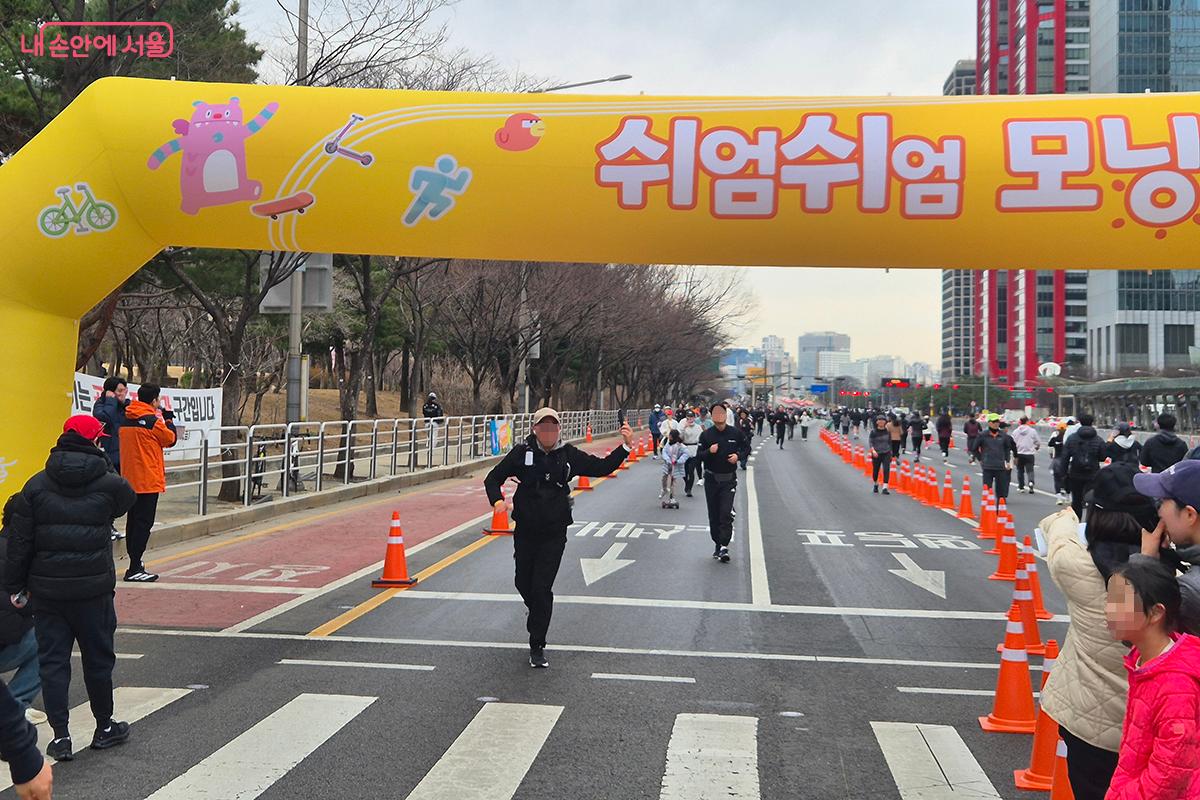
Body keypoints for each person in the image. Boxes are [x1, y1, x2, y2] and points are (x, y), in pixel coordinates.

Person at [4, 415, 136, 761]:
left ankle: (61, 737)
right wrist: (103, 462)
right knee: (98, 660)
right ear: (94, 441)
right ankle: (104, 727)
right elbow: (127, 499)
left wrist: (16, 587)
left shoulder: (36, 485)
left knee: (53, 663)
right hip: (93, 590)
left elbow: (20, 543)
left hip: (48, 593)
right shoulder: (109, 483)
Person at [1040, 465, 1160, 800]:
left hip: (1089, 723)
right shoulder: (1171, 576)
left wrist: (1067, 516)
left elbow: (1059, 536)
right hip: (1154, 728)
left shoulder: (1074, 565)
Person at [483, 408, 632, 669]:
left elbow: (601, 467)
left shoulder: (568, 455)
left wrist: (626, 446)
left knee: (541, 588)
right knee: (522, 582)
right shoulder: (521, 453)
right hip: (526, 529)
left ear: (559, 430)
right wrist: (497, 501)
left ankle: (537, 644)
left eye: (553, 427)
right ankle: (538, 613)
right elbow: (492, 478)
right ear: (535, 429)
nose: (549, 432)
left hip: (554, 532)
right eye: (544, 427)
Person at [1102, 558, 1200, 799]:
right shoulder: (1145, 662)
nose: (1108, 610)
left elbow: (1169, 776)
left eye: (1119, 602)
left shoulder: (1175, 684)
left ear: (1156, 612)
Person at [1132, 460, 1200, 636]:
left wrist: (1144, 563)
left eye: (1162, 501)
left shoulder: (1191, 592)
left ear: (1189, 514)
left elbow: (1128, 629)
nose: (1159, 511)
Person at [119, 384, 178, 583]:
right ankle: (135, 566)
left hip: (129, 479)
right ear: (154, 400)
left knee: (132, 523)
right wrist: (168, 419)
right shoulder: (153, 422)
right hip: (148, 480)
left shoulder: (126, 418)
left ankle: (134, 562)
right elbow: (171, 439)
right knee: (143, 524)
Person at [0, 499, 43, 725]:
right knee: (50, 638)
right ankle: (16, 703)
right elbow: (17, 606)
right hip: (5, 642)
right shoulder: (22, 557)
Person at [697, 403, 751, 563]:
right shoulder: (706, 435)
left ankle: (724, 546)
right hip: (711, 480)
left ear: (726, 415)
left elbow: (747, 448)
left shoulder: (735, 433)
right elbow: (699, 456)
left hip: (728, 480)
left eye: (722, 412)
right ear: (711, 416)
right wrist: (709, 451)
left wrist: (738, 456)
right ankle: (717, 543)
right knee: (714, 515)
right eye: (715, 413)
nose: (719, 415)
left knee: (725, 513)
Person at [1065, 414, 1107, 520]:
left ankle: (1076, 523)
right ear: (1092, 423)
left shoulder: (1072, 438)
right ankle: (1089, 524)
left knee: (1076, 501)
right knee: (1091, 500)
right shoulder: (1098, 439)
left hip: (1075, 473)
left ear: (1080, 422)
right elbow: (1103, 457)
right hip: (1093, 474)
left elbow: (1064, 457)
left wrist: (1063, 475)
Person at [973, 414, 1017, 500]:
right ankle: (986, 506)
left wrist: (1007, 461)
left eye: (997, 421)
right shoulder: (982, 435)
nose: (996, 423)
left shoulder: (1003, 435)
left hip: (1000, 466)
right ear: (989, 423)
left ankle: (1000, 506)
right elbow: (974, 448)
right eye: (994, 422)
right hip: (987, 466)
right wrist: (981, 459)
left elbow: (1007, 448)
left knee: (1001, 491)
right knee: (987, 489)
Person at [1012, 416, 1041, 494]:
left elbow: (1012, 442)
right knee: (1030, 470)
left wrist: (1014, 453)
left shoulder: (1015, 431)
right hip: (1029, 454)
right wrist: (1037, 446)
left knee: (1020, 470)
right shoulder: (1032, 431)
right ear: (1027, 421)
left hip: (1019, 453)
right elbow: (1038, 441)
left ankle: (1021, 487)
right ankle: (1031, 482)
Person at [659, 429, 688, 505]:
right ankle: (664, 489)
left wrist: (678, 461)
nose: (669, 436)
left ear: (673, 436)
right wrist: (667, 459)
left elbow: (685, 454)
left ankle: (672, 497)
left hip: (675, 465)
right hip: (668, 464)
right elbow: (664, 451)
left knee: (673, 481)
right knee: (664, 478)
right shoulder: (668, 444)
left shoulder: (680, 446)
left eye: (670, 435)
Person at [679, 411, 703, 497]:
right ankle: (687, 483)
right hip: (685, 448)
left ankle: (689, 489)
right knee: (684, 471)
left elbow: (701, 438)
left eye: (691, 417)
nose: (690, 419)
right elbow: (680, 438)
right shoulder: (683, 426)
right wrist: (684, 429)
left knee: (691, 470)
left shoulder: (698, 427)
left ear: (694, 418)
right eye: (688, 417)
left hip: (694, 449)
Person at [868, 415, 893, 495]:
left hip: (886, 452)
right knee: (876, 470)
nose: (881, 421)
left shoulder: (888, 432)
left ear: (885, 422)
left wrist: (891, 453)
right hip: (876, 453)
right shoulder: (873, 432)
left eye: (883, 420)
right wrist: (873, 451)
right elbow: (870, 442)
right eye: (879, 420)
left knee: (886, 469)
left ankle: (885, 487)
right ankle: (876, 484)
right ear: (877, 422)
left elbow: (890, 443)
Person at [1049, 421, 1071, 505]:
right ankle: (1068, 497)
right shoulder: (1068, 440)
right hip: (1067, 461)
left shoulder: (1055, 438)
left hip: (1057, 460)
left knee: (1057, 479)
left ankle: (1059, 498)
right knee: (1067, 479)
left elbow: (1050, 444)